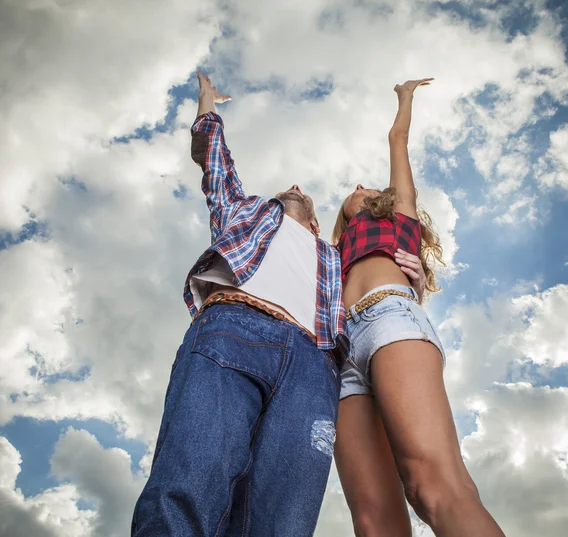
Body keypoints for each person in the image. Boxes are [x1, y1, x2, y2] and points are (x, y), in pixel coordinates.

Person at [131, 70, 350, 537]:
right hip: (236, 328)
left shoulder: (333, 259)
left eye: (305, 194)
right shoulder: (244, 212)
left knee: (282, 524)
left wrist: (408, 269)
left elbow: (371, 298)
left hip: (314, 365)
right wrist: (207, 104)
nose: (293, 185)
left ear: (315, 222)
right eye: (287, 187)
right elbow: (214, 160)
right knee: (188, 486)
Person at [331, 79, 506, 537]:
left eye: (366, 187)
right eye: (352, 190)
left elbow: (398, 139)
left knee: (430, 486)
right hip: (340, 352)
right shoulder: (333, 253)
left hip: (389, 318)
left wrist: (404, 95)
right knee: (372, 521)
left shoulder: (400, 214)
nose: (357, 187)